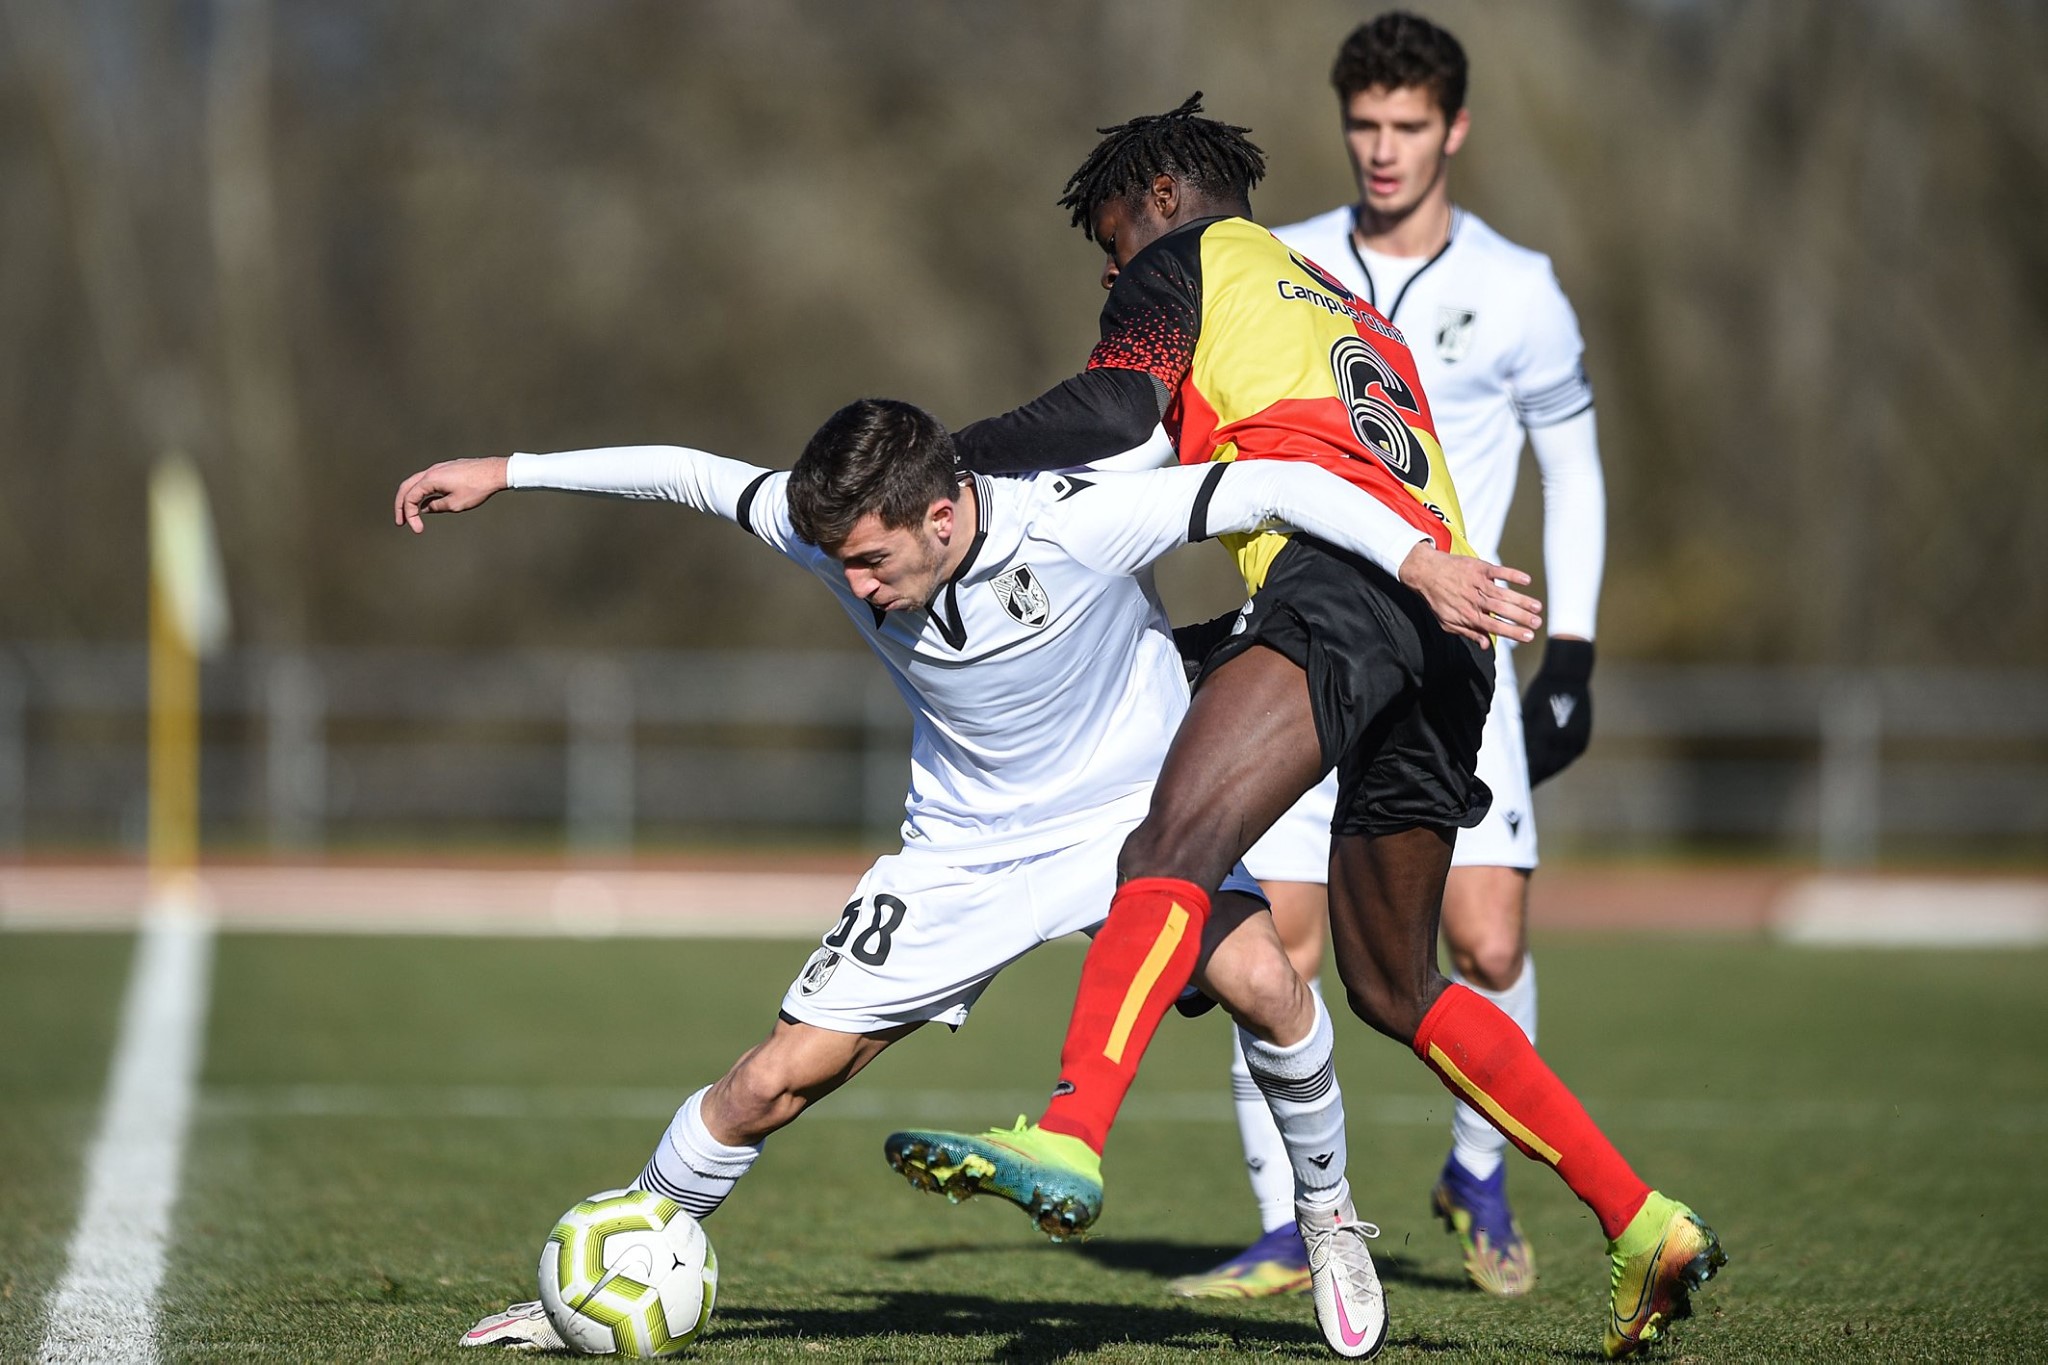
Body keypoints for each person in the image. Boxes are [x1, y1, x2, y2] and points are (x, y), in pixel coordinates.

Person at [393, 398, 1535, 1356]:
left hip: (1135, 823)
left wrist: (1416, 559)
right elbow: (691, 476)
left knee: (1273, 990)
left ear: (941, 514)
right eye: (837, 558)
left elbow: (1271, 483)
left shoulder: (1080, 521)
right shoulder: (834, 531)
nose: (851, 583)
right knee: (766, 1083)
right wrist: (508, 470)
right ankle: (613, 1268)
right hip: (959, 848)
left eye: (871, 560)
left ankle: (1327, 1220)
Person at [881, 96, 1721, 1360]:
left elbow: (1114, 415)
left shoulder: (1184, 260)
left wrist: (942, 462)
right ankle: (1638, 1215)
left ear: (1159, 194)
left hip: (1353, 594)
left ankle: (1068, 1128)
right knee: (1395, 982)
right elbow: (1183, 465)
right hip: (1445, 636)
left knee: (1168, 843)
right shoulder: (1327, 289)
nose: (1111, 274)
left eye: (1108, 240)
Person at [1170, 11, 1610, 1303]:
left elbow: (1572, 469)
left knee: (1483, 936)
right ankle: (1291, 1223)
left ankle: (1479, 1168)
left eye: (1408, 125)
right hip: (1312, 645)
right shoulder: (1285, 265)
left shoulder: (1520, 287)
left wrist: (1573, 648)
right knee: (1282, 944)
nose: (1382, 148)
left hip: (1457, 654)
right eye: (1363, 124)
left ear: (1453, 130)